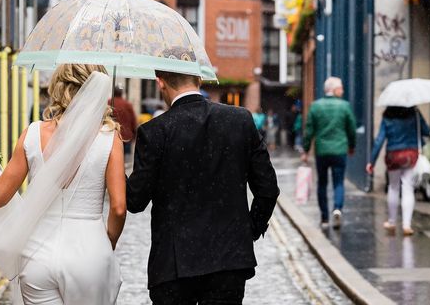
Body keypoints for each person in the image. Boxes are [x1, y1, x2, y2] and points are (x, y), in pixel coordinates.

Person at [0, 64, 126, 304]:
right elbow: (118, 208)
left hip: (38, 254)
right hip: (90, 252)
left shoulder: (32, 133)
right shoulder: (109, 137)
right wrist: (108, 241)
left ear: (59, 87)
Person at [127, 70, 280, 305]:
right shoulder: (240, 120)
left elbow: (135, 202)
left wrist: (116, 163)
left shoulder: (155, 131)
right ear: (199, 79)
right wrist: (248, 229)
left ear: (161, 83)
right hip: (228, 261)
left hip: (173, 266)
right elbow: (268, 189)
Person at [301, 77, 356, 230]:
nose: (343, 91)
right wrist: (352, 146)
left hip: (322, 151)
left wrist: (305, 150)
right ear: (334, 89)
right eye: (341, 88)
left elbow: (309, 130)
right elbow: (351, 129)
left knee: (322, 183)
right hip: (339, 150)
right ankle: (337, 208)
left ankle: (324, 217)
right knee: (338, 182)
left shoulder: (316, 106)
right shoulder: (344, 106)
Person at [366, 106, 430, 236]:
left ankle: (392, 222)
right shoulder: (414, 113)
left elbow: (379, 140)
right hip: (410, 154)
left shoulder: (388, 115)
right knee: (408, 187)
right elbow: (426, 131)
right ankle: (407, 225)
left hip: (393, 155)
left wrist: (371, 161)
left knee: (394, 187)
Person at [110, 86, 137, 159]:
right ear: (122, 93)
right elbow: (133, 120)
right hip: (126, 135)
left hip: (111, 134)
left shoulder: (109, 102)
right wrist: (135, 133)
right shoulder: (127, 104)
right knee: (125, 158)